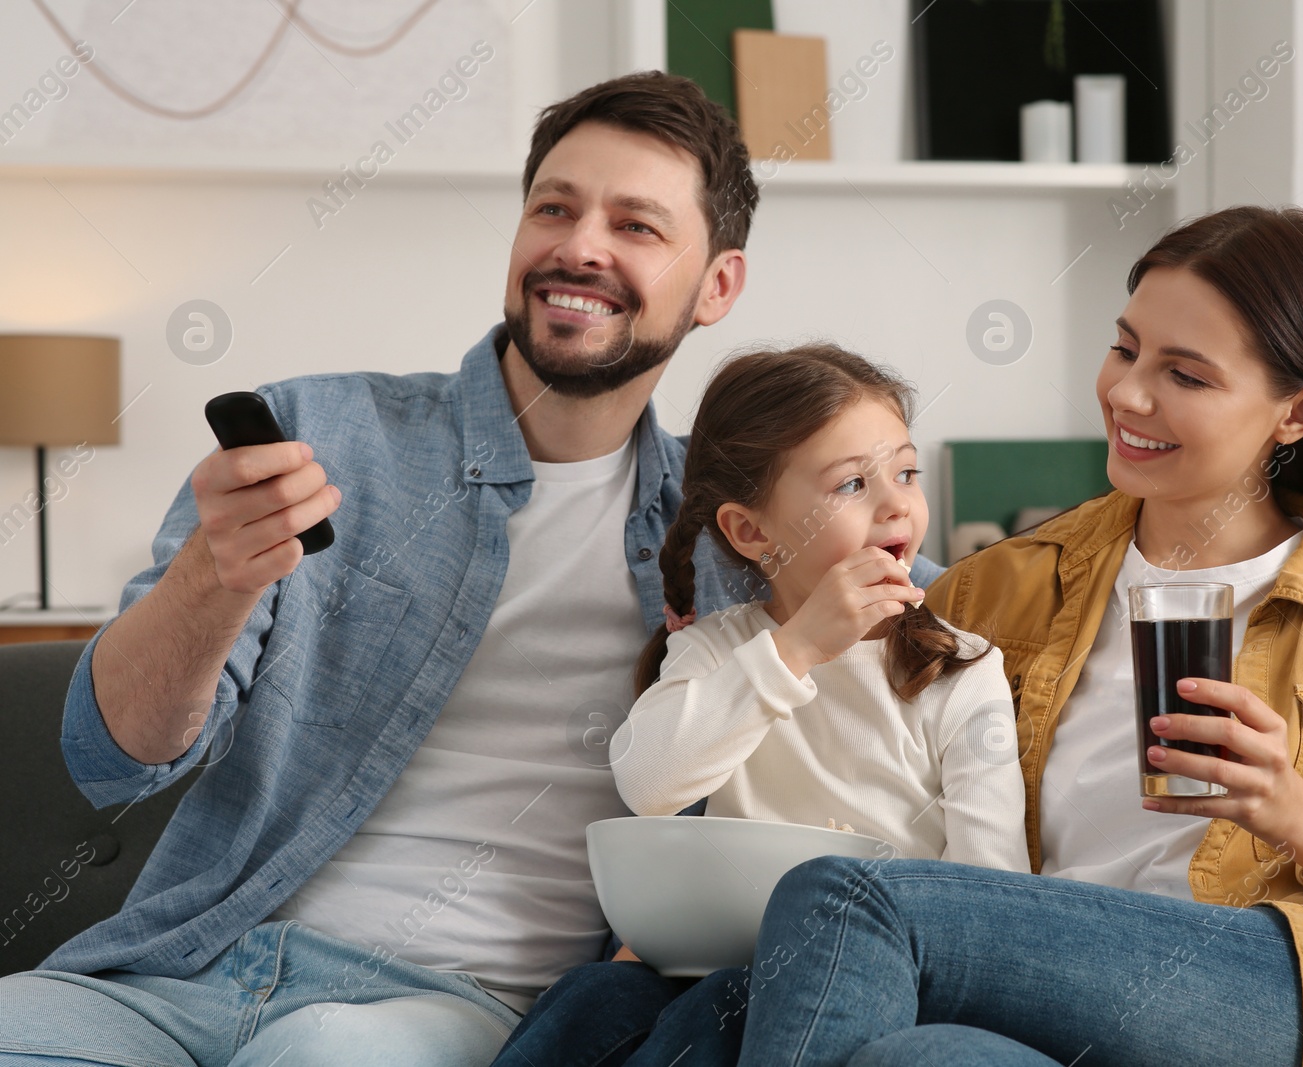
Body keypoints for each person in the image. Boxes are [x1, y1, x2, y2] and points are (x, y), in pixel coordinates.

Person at [0, 72, 940, 1066]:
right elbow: (116, 756)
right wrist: (211, 577)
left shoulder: (739, 533)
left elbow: (955, 600)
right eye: (554, 207)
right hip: (170, 977)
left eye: (636, 225)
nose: (581, 243)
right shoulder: (317, 436)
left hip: (447, 1009)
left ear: (717, 286)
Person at [735, 206, 1303, 1067]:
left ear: (1296, 412)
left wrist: (1299, 809)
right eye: (1126, 347)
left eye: (1188, 375)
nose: (1129, 393)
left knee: (849, 900)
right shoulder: (995, 590)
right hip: (1044, 1014)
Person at [491, 344, 1030, 1066]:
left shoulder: (960, 670)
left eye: (905, 471)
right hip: (712, 951)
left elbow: (991, 890)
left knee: (719, 1009)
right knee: (593, 995)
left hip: (865, 973)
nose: (897, 501)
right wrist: (797, 648)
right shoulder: (718, 650)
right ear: (751, 531)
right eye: (851, 484)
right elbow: (650, 782)